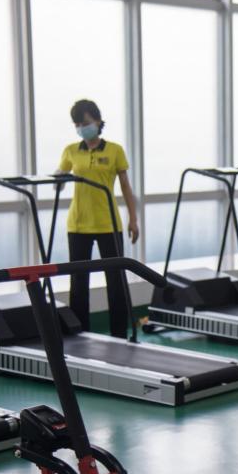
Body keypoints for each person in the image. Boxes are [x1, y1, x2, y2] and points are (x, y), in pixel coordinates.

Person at [57, 99, 139, 338]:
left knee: (116, 282)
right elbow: (60, 176)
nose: (82, 128)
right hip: (78, 224)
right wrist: (57, 181)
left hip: (108, 224)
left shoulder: (114, 150)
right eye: (77, 124)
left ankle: (119, 334)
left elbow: (125, 187)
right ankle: (80, 335)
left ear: (97, 121)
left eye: (85, 123)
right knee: (78, 284)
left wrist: (133, 219)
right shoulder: (71, 150)